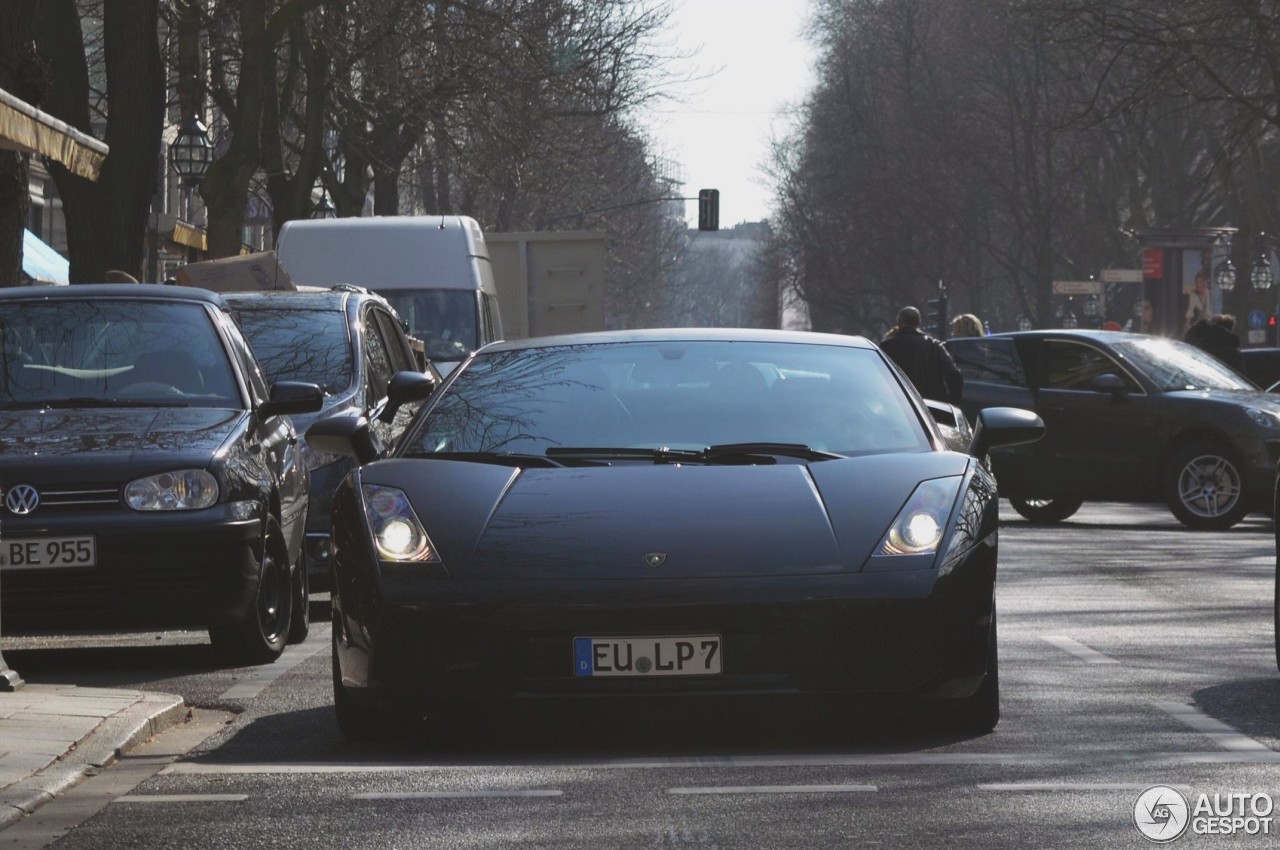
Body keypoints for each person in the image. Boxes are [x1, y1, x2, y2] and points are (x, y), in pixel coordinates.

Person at [880, 305, 964, 404]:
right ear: (919, 322)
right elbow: (954, 374)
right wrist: (952, 401)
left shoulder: (888, 346)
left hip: (900, 404)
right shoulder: (933, 345)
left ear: (899, 322)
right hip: (932, 403)